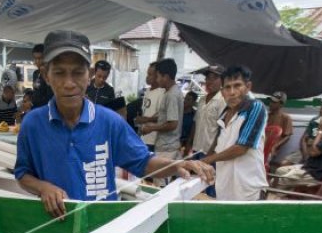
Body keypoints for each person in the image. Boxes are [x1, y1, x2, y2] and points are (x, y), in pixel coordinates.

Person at [14, 30, 213, 217]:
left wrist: (178, 164)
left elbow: (143, 162)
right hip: (54, 226)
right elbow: (23, 173)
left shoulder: (109, 122)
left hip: (104, 226)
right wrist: (43, 188)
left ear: (89, 74)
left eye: (77, 73)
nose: (68, 83)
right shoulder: (33, 124)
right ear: (46, 74)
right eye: (59, 73)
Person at [200, 65, 267, 201]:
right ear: (222, 91)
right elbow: (217, 144)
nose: (232, 92)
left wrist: (207, 160)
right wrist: (200, 162)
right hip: (224, 185)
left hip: (247, 188)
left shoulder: (255, 107)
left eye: (237, 86)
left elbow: (241, 148)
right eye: (227, 87)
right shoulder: (224, 113)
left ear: (248, 87)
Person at [140, 58, 183, 169]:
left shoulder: (171, 95)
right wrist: (147, 120)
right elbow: (164, 116)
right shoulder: (169, 92)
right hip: (165, 146)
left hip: (167, 147)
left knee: (161, 182)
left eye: (158, 76)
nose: (157, 79)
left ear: (166, 77)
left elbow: (173, 124)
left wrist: (152, 128)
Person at [184, 65, 226, 158]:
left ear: (223, 81)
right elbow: (195, 123)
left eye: (215, 78)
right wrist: (189, 143)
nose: (210, 81)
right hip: (196, 150)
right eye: (208, 78)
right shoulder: (202, 100)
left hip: (210, 152)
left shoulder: (223, 101)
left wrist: (211, 153)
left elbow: (221, 130)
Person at [134, 62, 164, 151]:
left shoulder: (162, 93)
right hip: (143, 137)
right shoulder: (147, 91)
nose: (147, 77)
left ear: (158, 76)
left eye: (150, 74)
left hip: (153, 140)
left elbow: (163, 117)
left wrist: (146, 119)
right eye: (147, 74)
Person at [265, 91, 293, 168]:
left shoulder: (286, 118)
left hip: (271, 148)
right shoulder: (266, 116)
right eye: (270, 101)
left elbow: (287, 136)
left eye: (274, 102)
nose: (271, 103)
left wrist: (274, 147)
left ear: (281, 104)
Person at [30, 44, 53, 108]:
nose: (37, 61)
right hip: (36, 108)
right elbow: (36, 92)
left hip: (47, 110)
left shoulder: (53, 74)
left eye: (40, 58)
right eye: (35, 58)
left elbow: (51, 96)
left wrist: (45, 76)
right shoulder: (36, 73)